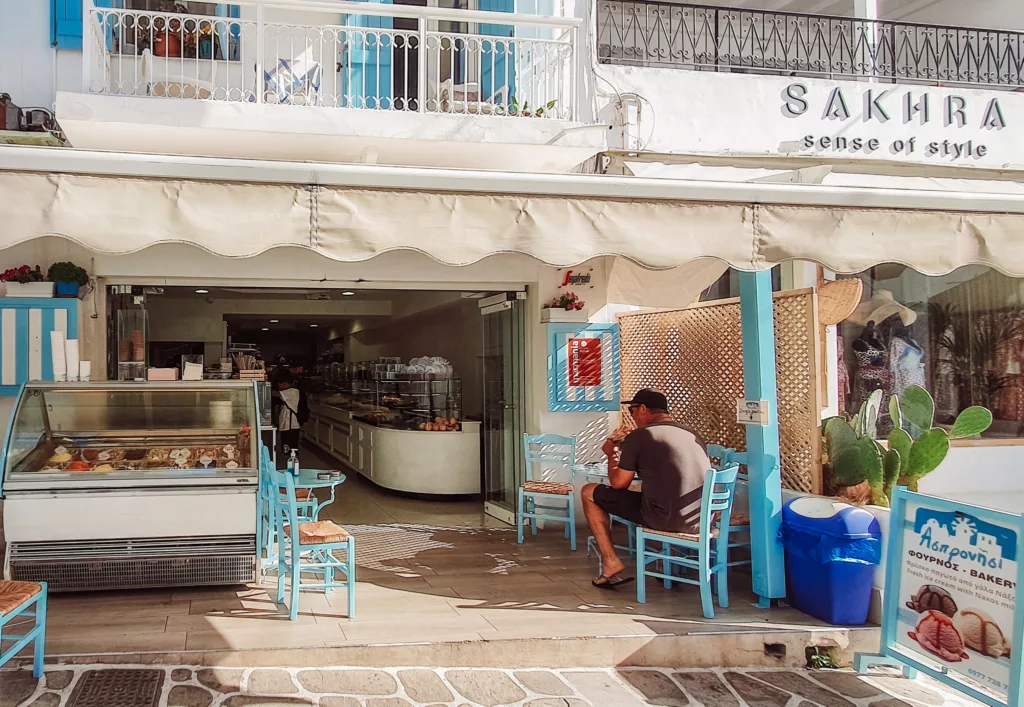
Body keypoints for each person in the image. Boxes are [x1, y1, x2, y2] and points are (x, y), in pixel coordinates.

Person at [581, 389, 712, 589]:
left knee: (589, 491)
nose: (632, 416)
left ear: (643, 409)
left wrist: (611, 453)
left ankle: (611, 562)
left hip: (664, 517)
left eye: (632, 410)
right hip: (701, 519)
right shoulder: (691, 433)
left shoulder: (641, 436)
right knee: (656, 498)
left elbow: (618, 483)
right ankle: (665, 566)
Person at [272, 370, 305, 463]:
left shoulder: (292, 391)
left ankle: (291, 463)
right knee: (287, 443)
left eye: (280, 384)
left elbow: (275, 394)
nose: (279, 387)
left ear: (285, 383)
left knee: (289, 445)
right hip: (287, 423)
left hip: (290, 424)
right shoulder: (291, 391)